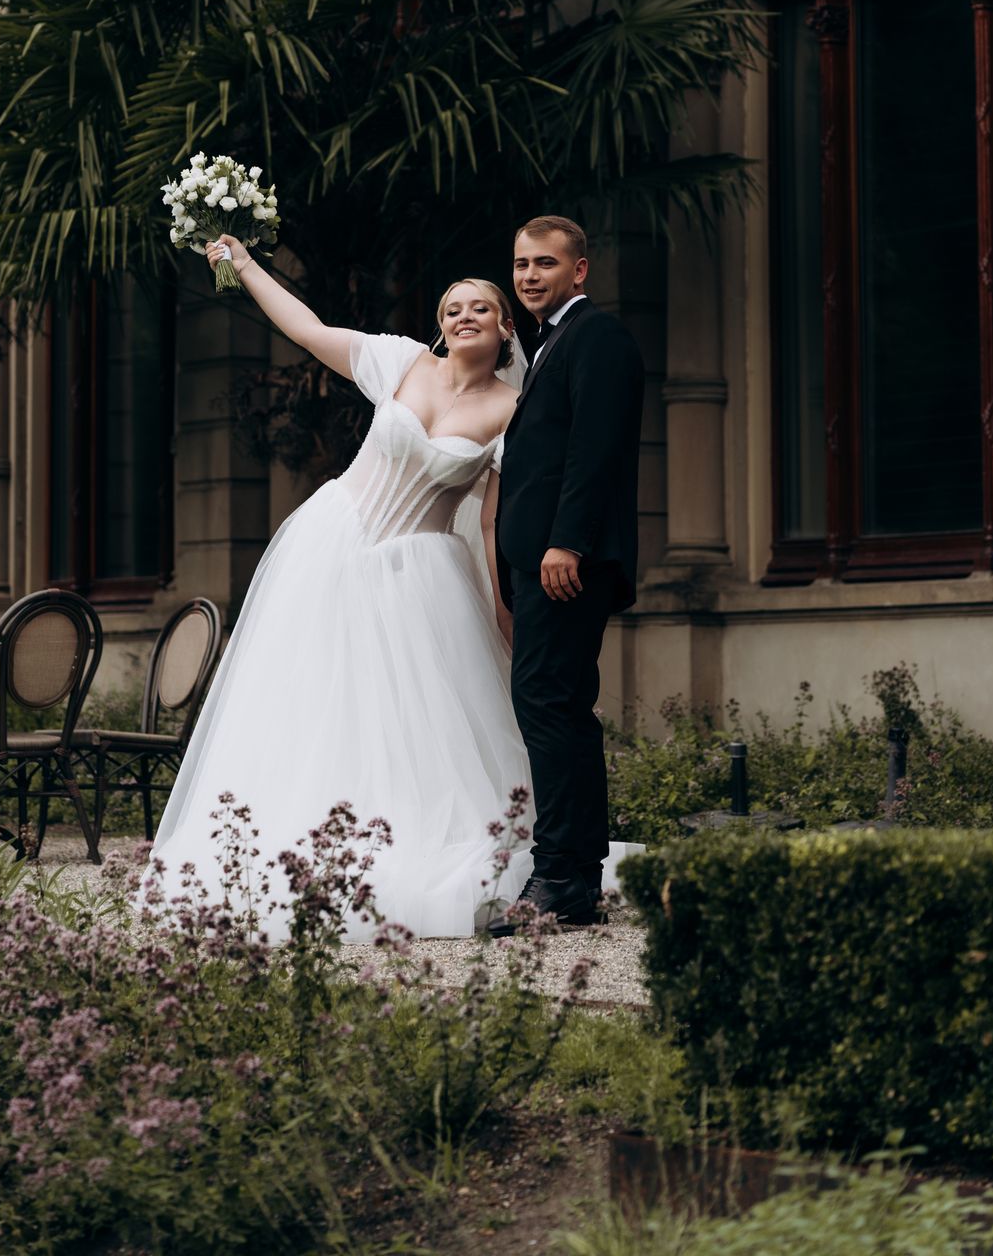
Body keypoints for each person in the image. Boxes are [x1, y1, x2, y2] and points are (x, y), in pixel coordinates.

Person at [140, 235, 536, 938]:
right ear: (439, 325)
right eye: (452, 308)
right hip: (333, 546)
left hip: (422, 577)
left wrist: (504, 608)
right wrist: (247, 266)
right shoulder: (401, 363)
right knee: (313, 701)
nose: (463, 316)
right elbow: (307, 329)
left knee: (409, 719)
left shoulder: (512, 411)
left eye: (480, 307)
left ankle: (403, 845)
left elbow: (493, 523)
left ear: (505, 327)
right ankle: (282, 842)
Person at [492, 215, 645, 934]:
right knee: (560, 710)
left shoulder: (597, 336)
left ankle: (557, 875)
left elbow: (595, 449)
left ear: (578, 270)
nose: (529, 276)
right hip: (542, 561)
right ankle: (576, 878)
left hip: (566, 561)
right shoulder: (548, 344)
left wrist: (566, 543)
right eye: (522, 264)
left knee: (548, 707)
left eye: (545, 264)